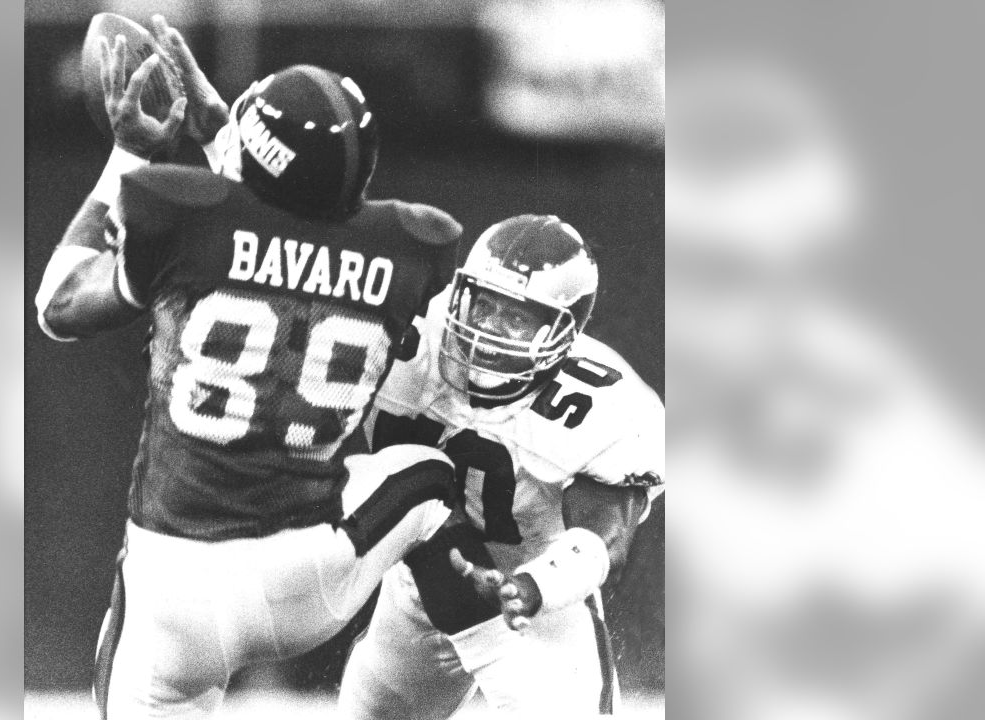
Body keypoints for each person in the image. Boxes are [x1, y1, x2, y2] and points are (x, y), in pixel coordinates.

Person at [33, 15, 465, 718]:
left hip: (178, 591)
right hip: (314, 579)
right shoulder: (416, 244)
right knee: (439, 477)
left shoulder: (180, 216)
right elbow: (299, 228)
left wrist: (129, 152)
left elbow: (61, 304)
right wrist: (225, 134)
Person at [339, 214, 665, 717]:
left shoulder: (606, 404)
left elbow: (608, 542)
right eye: (482, 304)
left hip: (531, 602)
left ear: (561, 333)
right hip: (417, 587)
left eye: (514, 318)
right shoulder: (411, 335)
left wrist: (533, 588)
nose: (485, 329)